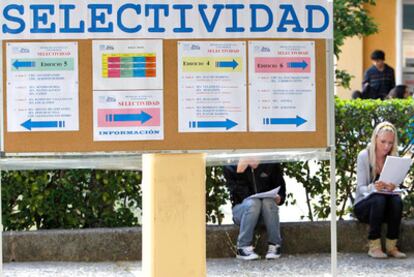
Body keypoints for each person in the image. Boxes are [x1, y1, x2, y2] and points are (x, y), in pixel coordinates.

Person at [354, 122, 406, 259]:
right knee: (378, 198)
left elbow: (398, 186)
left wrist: (394, 187)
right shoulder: (364, 155)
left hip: (384, 208)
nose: (386, 146)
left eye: (390, 143)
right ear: (375, 138)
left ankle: (391, 246)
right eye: (383, 141)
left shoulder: (393, 156)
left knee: (396, 201)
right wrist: (373, 187)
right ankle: (374, 246)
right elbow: (360, 188)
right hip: (364, 206)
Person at [223, 158, 286, 260]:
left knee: (268, 201)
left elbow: (281, 192)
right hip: (242, 212)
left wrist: (279, 198)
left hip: (266, 214)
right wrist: (240, 173)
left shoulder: (270, 164)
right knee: (254, 203)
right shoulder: (231, 166)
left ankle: (275, 245)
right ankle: (242, 248)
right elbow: (238, 197)